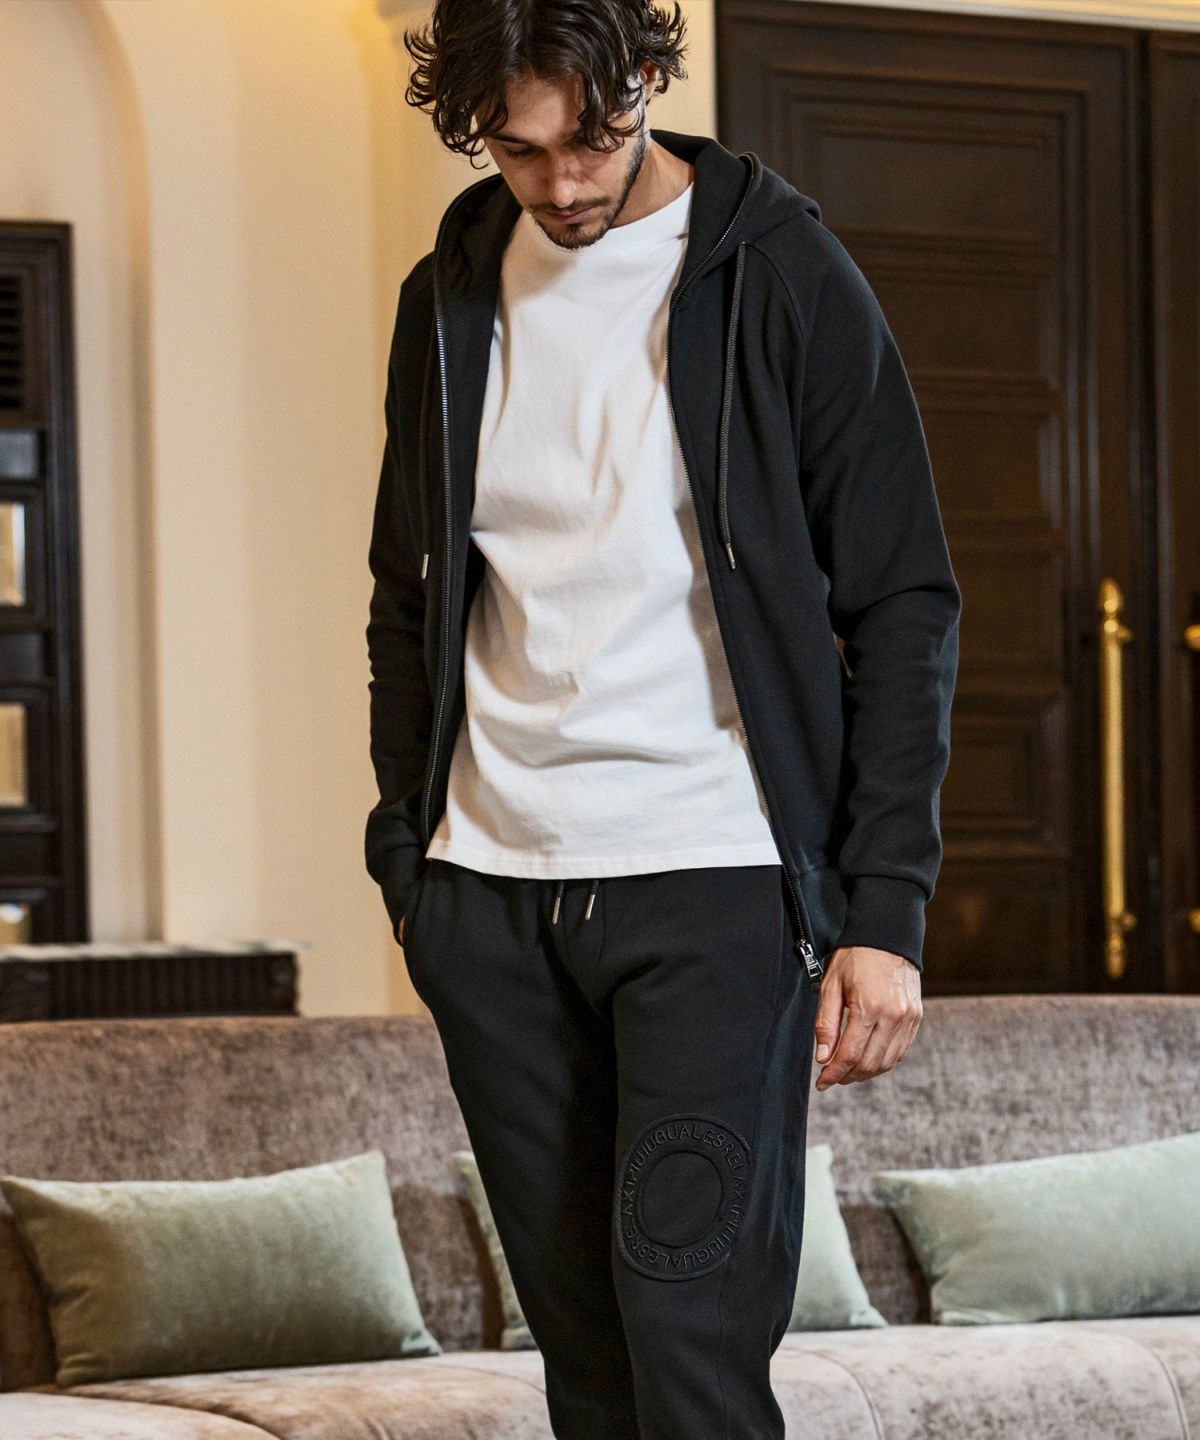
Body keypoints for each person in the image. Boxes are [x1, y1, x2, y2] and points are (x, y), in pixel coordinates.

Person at [364, 3, 961, 1435]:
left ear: (645, 77)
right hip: (489, 895)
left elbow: (905, 601)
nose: (562, 184)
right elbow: (405, 588)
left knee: (689, 1347)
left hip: (714, 883)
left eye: (592, 140)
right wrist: (408, 861)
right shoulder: (448, 296)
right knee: (585, 1361)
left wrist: (884, 909)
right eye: (519, 151)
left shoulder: (782, 273)